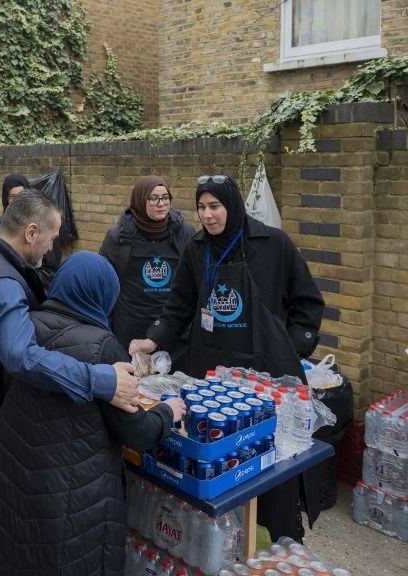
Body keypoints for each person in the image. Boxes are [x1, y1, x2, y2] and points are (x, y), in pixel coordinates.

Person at [0, 252, 185, 575]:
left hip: (10, 466)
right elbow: (136, 432)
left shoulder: (24, 327)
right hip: (73, 488)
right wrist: (166, 412)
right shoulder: (104, 347)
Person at [130, 174, 325, 541]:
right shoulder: (196, 248)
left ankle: (275, 538)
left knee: (267, 464)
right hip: (213, 374)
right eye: (201, 207)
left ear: (231, 205)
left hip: (263, 373)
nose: (207, 215)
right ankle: (221, 540)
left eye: (214, 206)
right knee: (220, 460)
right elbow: (179, 307)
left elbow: (308, 304)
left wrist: (290, 347)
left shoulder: (274, 244)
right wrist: (152, 341)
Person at [0, 192, 139, 498]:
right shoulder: (3, 284)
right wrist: (101, 379)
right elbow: (21, 355)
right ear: (31, 233)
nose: (53, 246)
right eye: (52, 238)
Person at [100, 176, 195, 351]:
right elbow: (103, 285)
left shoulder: (184, 233)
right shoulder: (118, 236)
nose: (161, 204)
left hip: (172, 328)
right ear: (140, 199)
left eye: (165, 197)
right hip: (129, 328)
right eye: (153, 198)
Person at [0, 175, 61, 287]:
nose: (18, 201)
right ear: (6, 198)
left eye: (21, 195)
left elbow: (51, 269)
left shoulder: (44, 223)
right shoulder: (0, 222)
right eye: (13, 197)